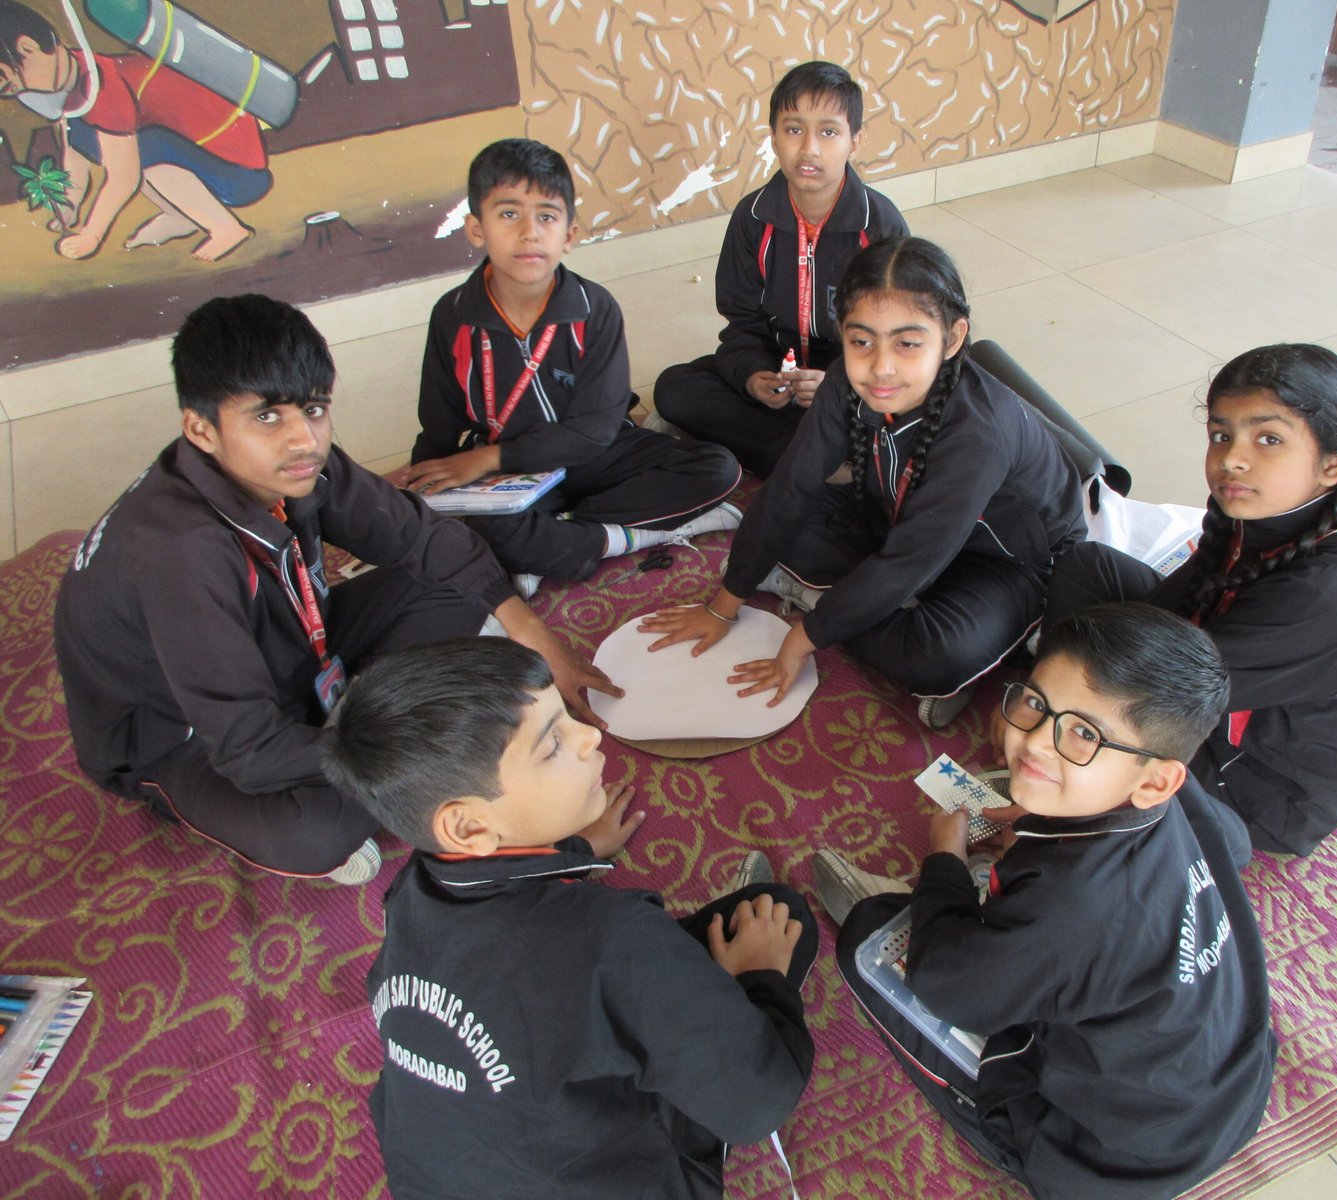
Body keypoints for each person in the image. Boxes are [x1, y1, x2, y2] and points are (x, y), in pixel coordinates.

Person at [53, 294, 616, 885]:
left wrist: (537, 637)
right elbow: (248, 749)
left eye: (314, 409)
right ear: (201, 429)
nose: (304, 440)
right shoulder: (180, 558)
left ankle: (354, 722)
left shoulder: (294, 463)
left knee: (460, 576)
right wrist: (415, 755)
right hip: (182, 735)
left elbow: (418, 536)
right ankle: (353, 739)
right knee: (316, 832)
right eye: (266, 417)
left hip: (290, 649)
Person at [321, 637, 817, 1200]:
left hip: (436, 1177)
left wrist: (572, 849)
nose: (591, 737)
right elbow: (757, 1104)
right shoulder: (618, 939)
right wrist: (759, 977)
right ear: (469, 826)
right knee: (782, 915)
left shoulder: (412, 889)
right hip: (606, 1177)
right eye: (552, 744)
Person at [815, 604, 1277, 1200]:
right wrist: (1039, 821)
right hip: (1230, 1082)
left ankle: (930, 910)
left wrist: (945, 861)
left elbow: (949, 987)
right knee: (1040, 936)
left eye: (1085, 734)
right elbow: (1235, 845)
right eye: (1036, 702)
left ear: (1154, 781)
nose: (1033, 741)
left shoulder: (1071, 910)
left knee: (865, 940)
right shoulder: (1176, 801)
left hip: (1109, 1159)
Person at [641, 236, 1085, 729]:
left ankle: (832, 605)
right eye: (862, 341)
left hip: (1005, 561)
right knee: (783, 525)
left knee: (938, 655)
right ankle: (850, 604)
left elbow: (907, 561)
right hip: (897, 516)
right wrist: (724, 606)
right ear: (843, 333)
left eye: (908, 343)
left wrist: (800, 640)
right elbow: (790, 486)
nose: (881, 367)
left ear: (953, 338)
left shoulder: (980, 433)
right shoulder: (845, 381)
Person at [1045, 344, 1337, 856]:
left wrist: (1066, 704)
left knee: (1101, 725)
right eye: (1221, 435)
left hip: (1262, 786)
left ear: (1333, 463)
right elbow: (1176, 604)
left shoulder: (1330, 598)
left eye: (1269, 439)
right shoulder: (1275, 510)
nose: (1232, 459)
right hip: (1229, 668)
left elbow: (1164, 694)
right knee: (1088, 569)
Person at [400, 138, 743, 597]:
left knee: (718, 469)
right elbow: (439, 421)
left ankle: (565, 542)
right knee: (485, 526)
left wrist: (485, 459)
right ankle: (625, 534)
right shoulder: (454, 315)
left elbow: (595, 432)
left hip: (596, 454)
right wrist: (421, 494)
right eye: (508, 213)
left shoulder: (594, 308)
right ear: (476, 229)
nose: (529, 233)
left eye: (546, 216)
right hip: (516, 477)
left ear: (569, 235)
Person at [651, 60, 909, 477]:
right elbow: (742, 322)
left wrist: (836, 384)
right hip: (779, 366)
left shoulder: (879, 226)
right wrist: (753, 374)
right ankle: (811, 455)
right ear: (773, 138)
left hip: (852, 376)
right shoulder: (752, 217)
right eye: (793, 130)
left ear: (854, 142)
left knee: (907, 408)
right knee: (674, 388)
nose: (809, 149)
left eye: (829, 132)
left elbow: (896, 340)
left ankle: (799, 450)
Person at [0, 0, 267, 261]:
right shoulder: (75, 82)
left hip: (237, 173)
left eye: (11, 83)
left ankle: (226, 228)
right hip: (204, 163)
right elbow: (76, 155)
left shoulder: (103, 87)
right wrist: (70, 206)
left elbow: (124, 177)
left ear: (28, 47)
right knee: (90, 137)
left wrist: (91, 236)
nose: (19, 95)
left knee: (141, 147)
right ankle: (181, 215)